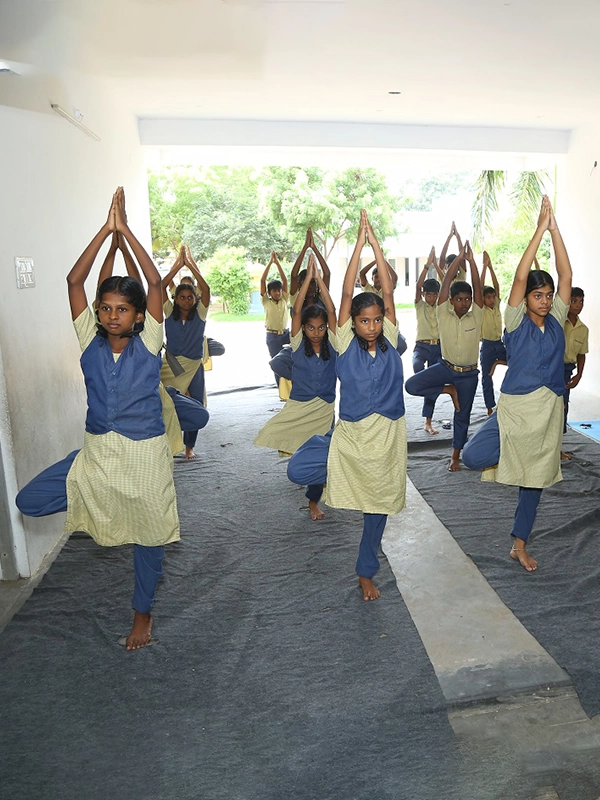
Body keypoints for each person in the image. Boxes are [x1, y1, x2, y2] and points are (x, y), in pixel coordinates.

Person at [15, 188, 179, 650]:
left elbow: (156, 285)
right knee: (31, 501)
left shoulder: (149, 343)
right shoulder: (89, 340)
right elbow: (73, 281)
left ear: (138, 316)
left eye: (121, 309)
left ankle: (141, 615)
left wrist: (125, 231)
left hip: (145, 453)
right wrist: (105, 230)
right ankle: (84, 482)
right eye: (105, 308)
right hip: (98, 451)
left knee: (149, 536)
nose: (110, 315)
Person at [287, 210, 406, 600]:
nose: (371, 326)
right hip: (352, 434)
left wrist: (377, 245)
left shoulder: (389, 338)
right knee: (297, 468)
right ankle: (318, 485)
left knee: (379, 507)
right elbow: (341, 295)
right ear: (352, 323)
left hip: (387, 435)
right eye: (363, 320)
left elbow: (387, 293)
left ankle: (365, 571)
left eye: (376, 320)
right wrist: (358, 244)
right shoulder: (341, 343)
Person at [462, 196, 572, 571]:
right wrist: (539, 231)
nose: (544, 301)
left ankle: (519, 544)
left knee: (534, 483)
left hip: (547, 412)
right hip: (515, 410)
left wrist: (556, 232)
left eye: (547, 296)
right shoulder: (514, 321)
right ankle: (511, 459)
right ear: (524, 300)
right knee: (474, 456)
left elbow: (566, 276)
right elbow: (520, 276)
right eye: (537, 296)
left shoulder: (557, 318)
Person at [254, 260, 337, 520]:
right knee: (280, 435)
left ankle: (313, 501)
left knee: (320, 450)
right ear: (302, 328)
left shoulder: (334, 345)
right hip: (299, 406)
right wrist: (306, 281)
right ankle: (304, 468)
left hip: (323, 410)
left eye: (321, 327)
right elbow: (297, 309)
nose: (316, 332)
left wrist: (320, 282)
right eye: (310, 327)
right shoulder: (297, 343)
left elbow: (332, 310)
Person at [405, 241, 483, 471]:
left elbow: (478, 288)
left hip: (468, 375)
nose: (464, 303)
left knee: (462, 415)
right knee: (411, 385)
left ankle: (455, 455)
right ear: (450, 300)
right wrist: (456, 260)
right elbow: (446, 283)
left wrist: (471, 263)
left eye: (467, 299)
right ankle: (448, 390)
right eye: (459, 299)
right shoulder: (443, 314)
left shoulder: (476, 316)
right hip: (446, 368)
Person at [160, 245, 211, 460]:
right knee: (163, 400)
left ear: (195, 299)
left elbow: (206, 289)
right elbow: (160, 286)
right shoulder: (169, 312)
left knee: (196, 403)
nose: (186, 300)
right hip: (170, 364)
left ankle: (189, 445)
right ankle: (166, 442)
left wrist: (190, 264)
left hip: (192, 365)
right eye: (182, 297)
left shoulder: (200, 313)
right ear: (175, 299)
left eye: (190, 297)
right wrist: (177, 266)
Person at [413, 246, 442, 435]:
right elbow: (417, 286)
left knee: (435, 382)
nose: (431, 297)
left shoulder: (442, 306)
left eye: (434, 294)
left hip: (438, 347)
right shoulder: (419, 305)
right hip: (422, 346)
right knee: (416, 365)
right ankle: (423, 385)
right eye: (428, 294)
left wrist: (437, 266)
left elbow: (446, 282)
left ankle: (428, 422)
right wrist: (427, 265)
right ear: (424, 294)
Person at [561, 287, 588, 459]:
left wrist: (579, 375)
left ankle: (557, 449)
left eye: (581, 301)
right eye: (574, 301)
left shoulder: (583, 329)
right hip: (551, 369)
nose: (578, 305)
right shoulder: (556, 322)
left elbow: (581, 354)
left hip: (567, 372)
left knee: (562, 408)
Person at [479, 251, 507, 415]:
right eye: (488, 297)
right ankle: (490, 407)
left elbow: (496, 286)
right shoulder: (481, 309)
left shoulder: (496, 306)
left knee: (516, 362)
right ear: (483, 299)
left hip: (500, 343)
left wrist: (490, 267)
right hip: (488, 346)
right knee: (486, 377)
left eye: (492, 297)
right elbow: (480, 286)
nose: (491, 299)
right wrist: (483, 268)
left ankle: (509, 397)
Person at [261, 251, 290, 386]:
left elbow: (285, 280)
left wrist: (277, 263)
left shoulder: (285, 298)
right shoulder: (266, 301)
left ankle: (292, 383)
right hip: (272, 336)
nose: (277, 293)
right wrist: (269, 263)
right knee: (276, 361)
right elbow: (262, 281)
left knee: (292, 357)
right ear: (269, 292)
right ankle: (281, 388)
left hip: (286, 334)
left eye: (279, 290)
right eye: (274, 291)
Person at [289, 228, 331, 313]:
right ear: (299, 285)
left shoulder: (322, 298)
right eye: (306, 283)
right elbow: (294, 275)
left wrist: (314, 247)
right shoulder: (295, 299)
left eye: (312, 283)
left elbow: (327, 274)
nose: (310, 287)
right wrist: (305, 247)